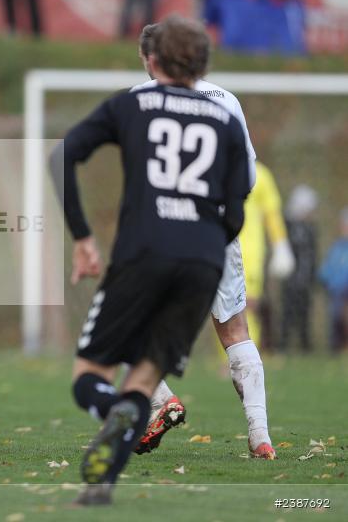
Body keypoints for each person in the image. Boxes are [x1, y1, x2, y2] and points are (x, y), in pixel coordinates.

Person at [49, 15, 251, 505]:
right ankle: (101, 486)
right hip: (203, 263)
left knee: (89, 381)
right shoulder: (224, 119)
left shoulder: (133, 104)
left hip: (144, 253)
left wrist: (82, 237)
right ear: (203, 65)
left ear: (151, 60)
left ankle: (112, 411)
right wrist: (207, 242)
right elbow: (240, 197)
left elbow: (62, 155)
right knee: (143, 381)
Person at [124, 23, 277, 460]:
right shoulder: (226, 99)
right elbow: (247, 174)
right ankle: (260, 434)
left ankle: (162, 401)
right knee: (235, 332)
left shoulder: (139, 100)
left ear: (151, 59)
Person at [239, 160, 295, 350]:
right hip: (220, 246)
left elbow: (272, 214)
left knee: (247, 306)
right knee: (221, 307)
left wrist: (281, 245)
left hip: (251, 252)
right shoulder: (219, 164)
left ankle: (246, 357)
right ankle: (227, 360)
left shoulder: (260, 174)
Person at [280, 184, 318, 352]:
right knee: (288, 314)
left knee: (304, 315)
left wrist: (310, 276)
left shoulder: (310, 229)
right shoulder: (289, 226)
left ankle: (305, 347)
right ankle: (283, 346)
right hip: (292, 279)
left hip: (304, 280)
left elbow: (311, 255)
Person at [319, 208, 348, 353]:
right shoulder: (337, 247)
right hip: (336, 292)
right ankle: (337, 347)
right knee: (336, 317)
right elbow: (327, 268)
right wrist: (325, 279)